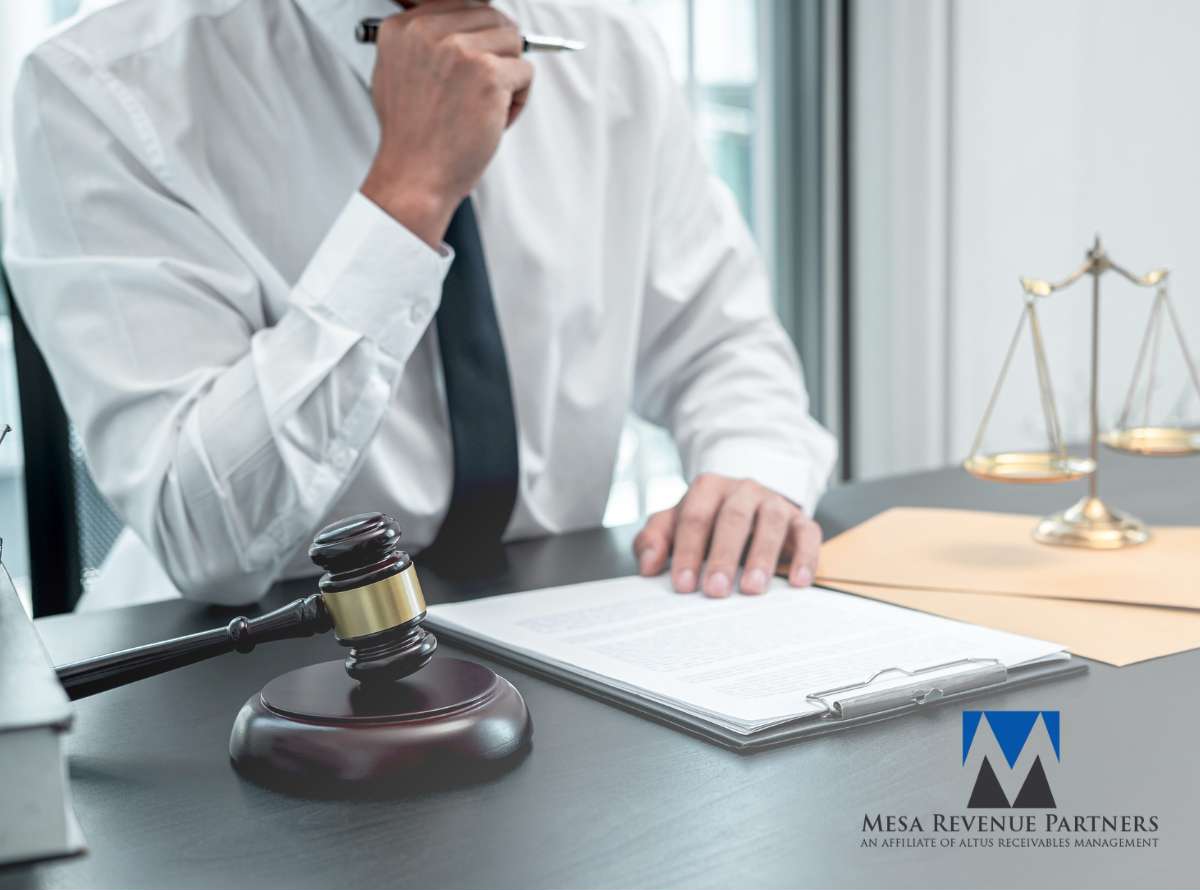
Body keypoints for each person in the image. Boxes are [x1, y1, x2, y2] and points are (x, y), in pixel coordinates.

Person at [2, 0, 836, 609]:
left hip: (553, 626)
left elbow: (721, 347)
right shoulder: (101, 86)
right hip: (232, 664)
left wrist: (752, 468)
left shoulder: (607, 46)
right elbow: (208, 534)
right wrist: (409, 191)